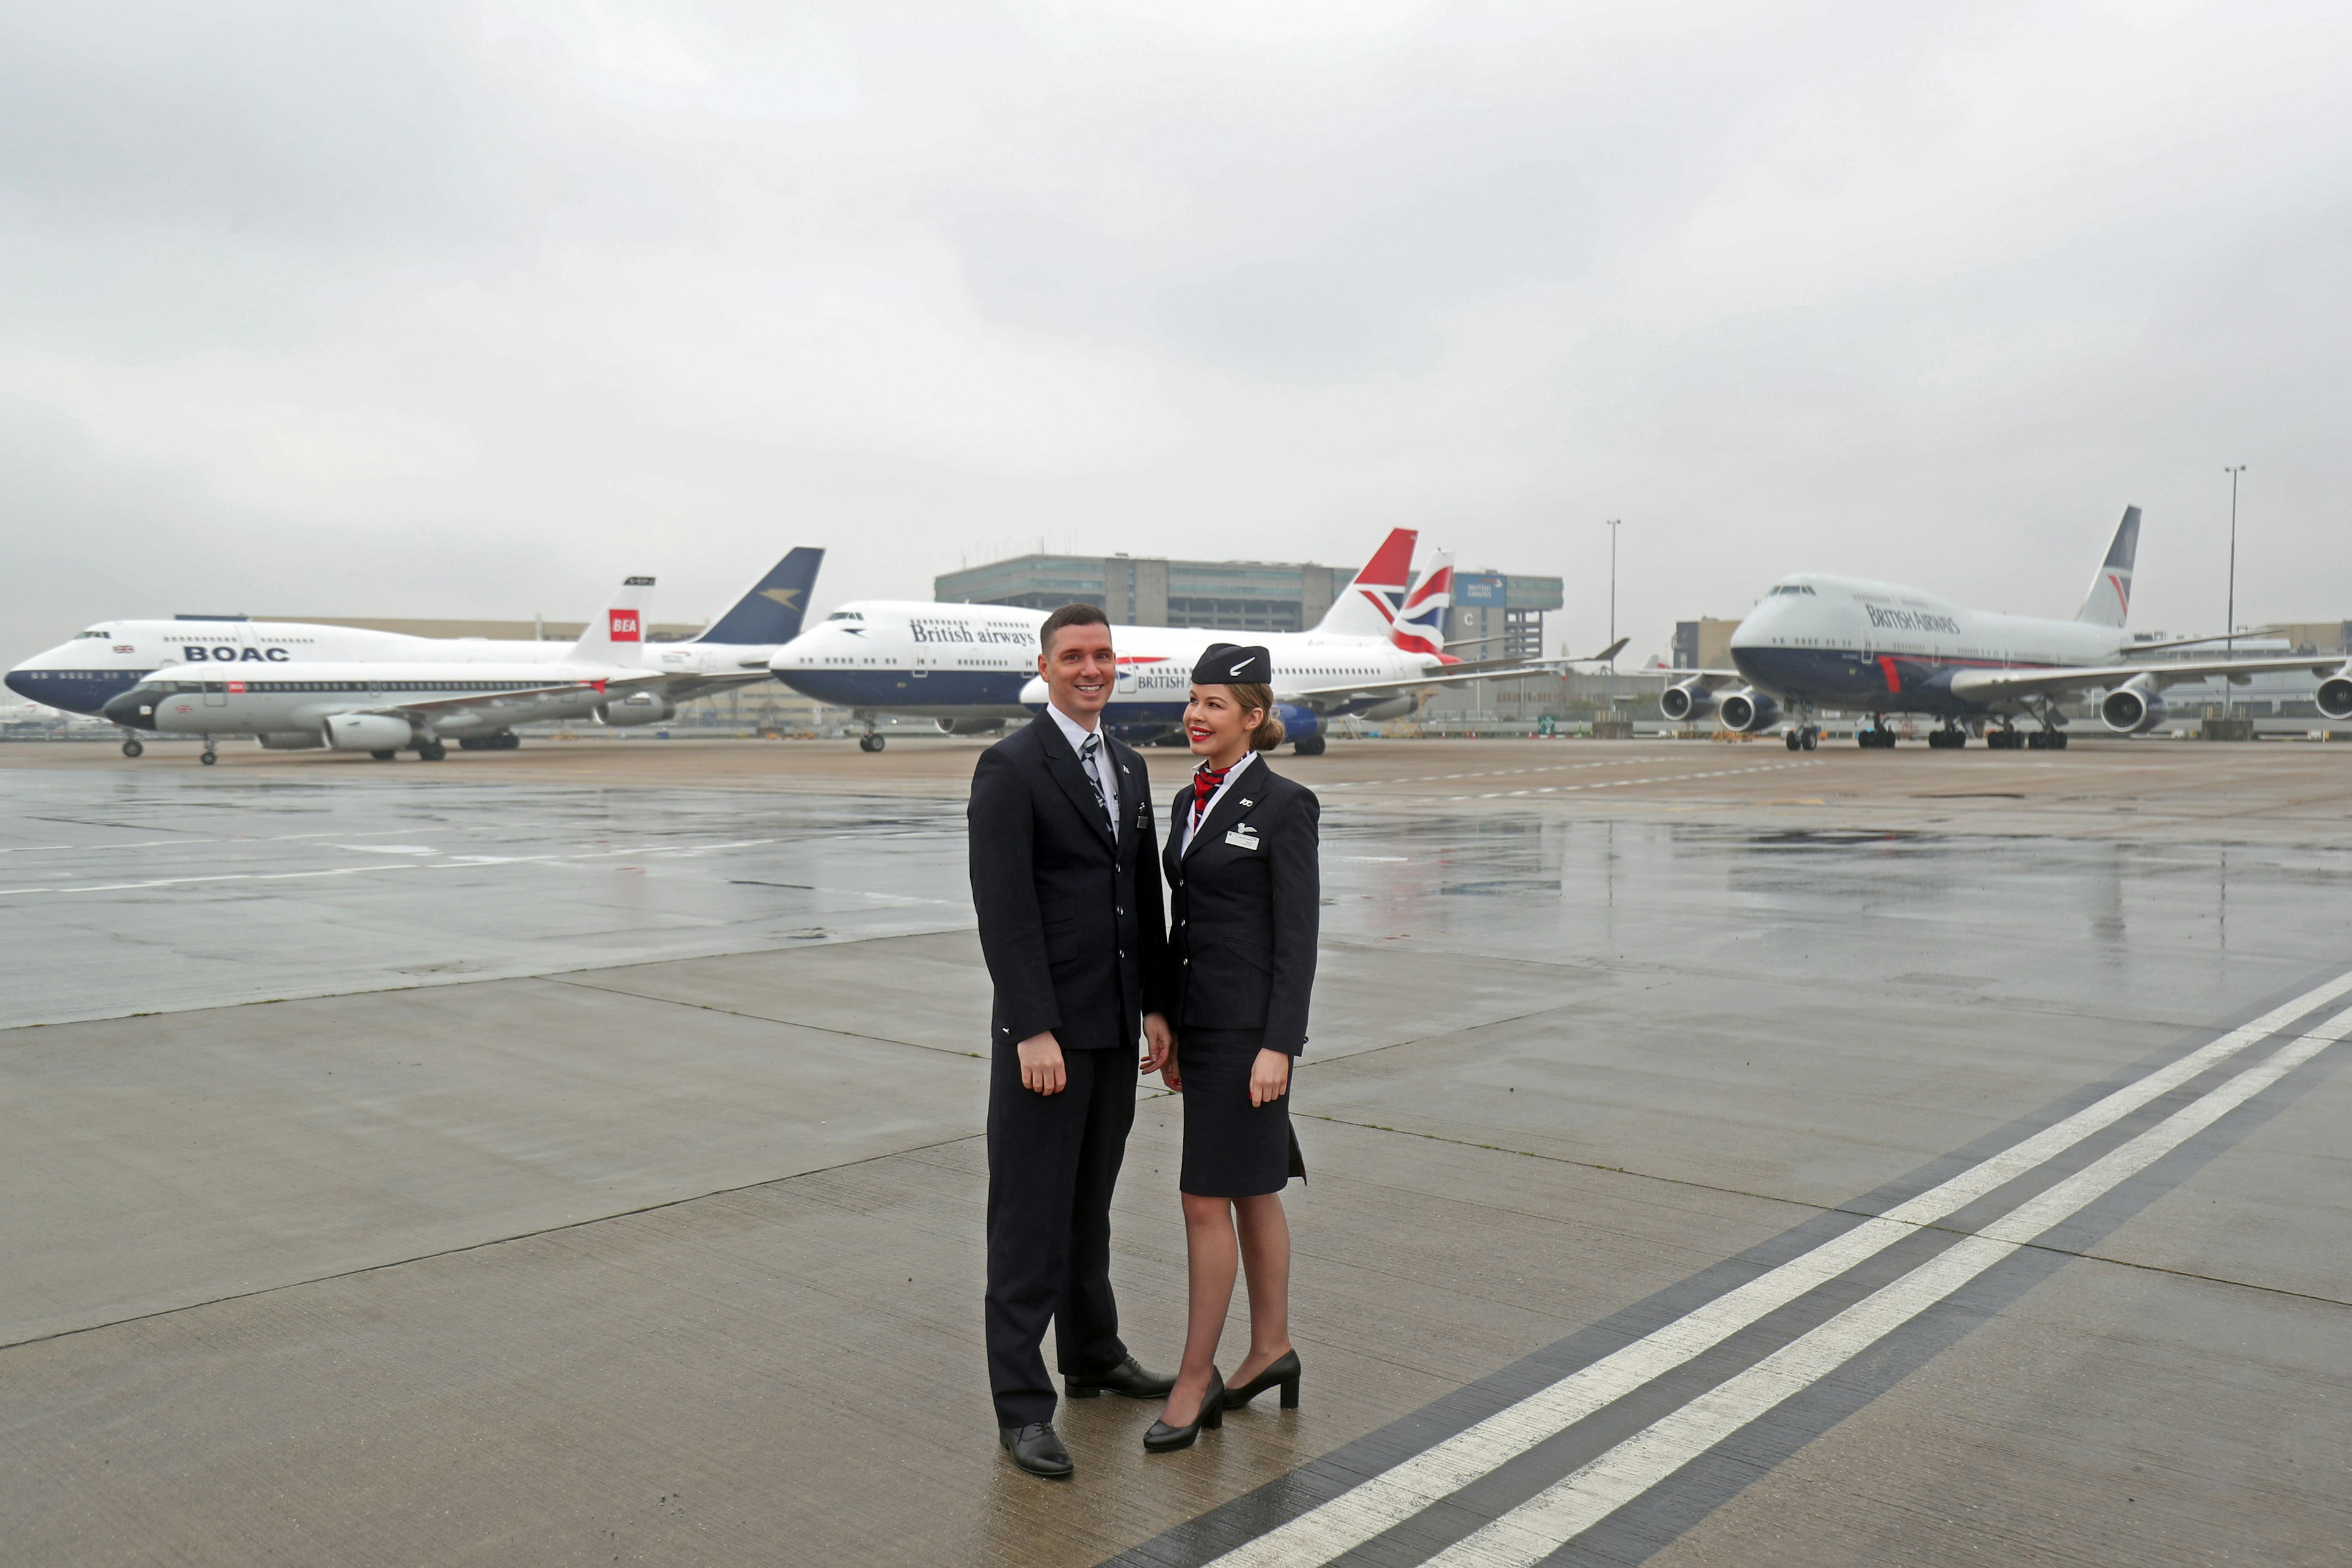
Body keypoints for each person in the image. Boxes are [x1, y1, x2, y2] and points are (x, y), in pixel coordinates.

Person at [967, 601, 1178, 1480]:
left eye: (1104, 656)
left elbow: (1141, 897)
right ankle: (1022, 1409)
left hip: (1113, 1026)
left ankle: (1092, 1353)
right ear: (1046, 667)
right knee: (1029, 1219)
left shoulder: (1125, 764)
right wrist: (1031, 1027)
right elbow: (1004, 908)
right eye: (1075, 657)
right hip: (1048, 1037)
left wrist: (1157, 1005)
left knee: (1091, 1203)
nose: (1092, 669)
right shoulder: (1012, 766)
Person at [1144, 644, 1319, 1453]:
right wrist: (1169, 1019)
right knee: (1253, 1191)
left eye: (1214, 703)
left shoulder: (1286, 805)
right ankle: (1271, 1350)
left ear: (1253, 718)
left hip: (1251, 1040)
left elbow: (1298, 939)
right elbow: (1186, 926)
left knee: (1204, 1200)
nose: (1195, 715)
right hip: (1203, 1029)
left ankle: (1195, 1376)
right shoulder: (1188, 801)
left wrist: (1278, 1045)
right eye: (1192, 700)